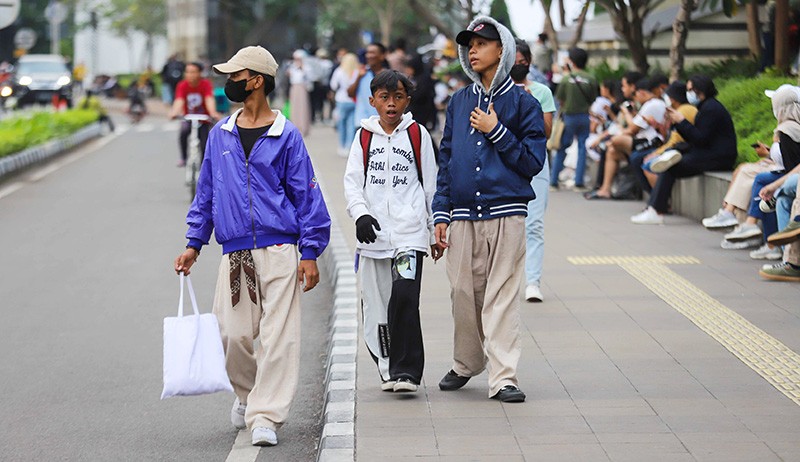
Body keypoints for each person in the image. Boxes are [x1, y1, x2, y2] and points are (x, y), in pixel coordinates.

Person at [173, 45, 331, 447]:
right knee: (232, 334)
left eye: (235, 75)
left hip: (280, 250)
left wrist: (310, 252)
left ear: (255, 80)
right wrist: (194, 242)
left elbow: (307, 196)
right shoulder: (219, 135)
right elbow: (206, 193)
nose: (229, 83)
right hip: (237, 253)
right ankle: (248, 397)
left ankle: (266, 415)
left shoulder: (286, 136)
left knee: (280, 337)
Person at [432, 17, 547, 403]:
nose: (473, 49)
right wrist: (440, 213)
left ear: (504, 50)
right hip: (463, 213)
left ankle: (503, 377)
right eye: (470, 44)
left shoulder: (523, 103)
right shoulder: (459, 100)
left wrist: (497, 130)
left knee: (500, 295)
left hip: (507, 212)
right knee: (463, 292)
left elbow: (532, 162)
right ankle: (467, 362)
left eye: (482, 42)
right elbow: (446, 159)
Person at [343, 70, 439, 393]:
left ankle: (408, 371)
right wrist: (361, 216)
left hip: (409, 237)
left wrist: (434, 227)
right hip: (374, 240)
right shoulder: (363, 138)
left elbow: (430, 186)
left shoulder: (417, 135)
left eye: (398, 97)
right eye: (384, 98)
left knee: (405, 296)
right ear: (372, 101)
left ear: (407, 101)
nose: (391, 104)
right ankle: (388, 369)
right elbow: (352, 183)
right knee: (378, 305)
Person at [631, 75, 737, 224]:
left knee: (670, 166)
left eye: (690, 90)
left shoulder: (711, 108)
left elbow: (700, 138)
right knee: (669, 164)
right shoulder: (706, 106)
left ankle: (655, 210)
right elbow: (697, 138)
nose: (688, 94)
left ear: (699, 90)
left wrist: (681, 121)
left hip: (718, 157)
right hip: (710, 153)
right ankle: (654, 209)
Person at [513, 38, 555, 303]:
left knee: (535, 224)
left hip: (536, 163)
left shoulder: (541, 91)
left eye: (522, 61)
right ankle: (504, 280)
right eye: (513, 62)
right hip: (505, 163)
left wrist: (531, 106)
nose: (519, 66)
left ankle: (532, 282)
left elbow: (547, 132)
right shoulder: (496, 90)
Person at [587, 77, 666, 199]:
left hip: (649, 142)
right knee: (612, 152)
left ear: (641, 92)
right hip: (643, 140)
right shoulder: (650, 104)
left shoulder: (651, 104)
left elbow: (632, 129)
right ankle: (605, 189)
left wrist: (626, 113)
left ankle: (657, 200)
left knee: (614, 141)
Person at [550, 47, 597, 192]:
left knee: (562, 147)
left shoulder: (565, 79)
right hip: (584, 117)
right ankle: (579, 182)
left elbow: (560, 99)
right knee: (582, 148)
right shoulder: (591, 79)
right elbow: (593, 99)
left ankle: (553, 181)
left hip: (568, 117)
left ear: (571, 61)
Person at [168, 62, 221, 167]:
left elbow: (209, 99)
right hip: (188, 118)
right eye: (187, 72)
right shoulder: (182, 85)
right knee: (183, 132)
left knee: (204, 142)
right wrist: (174, 112)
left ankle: (203, 165)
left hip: (203, 119)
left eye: (193, 72)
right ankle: (183, 157)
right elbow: (179, 100)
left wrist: (213, 113)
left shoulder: (205, 84)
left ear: (200, 73)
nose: (190, 75)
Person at [348, 42, 387, 130]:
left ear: (382, 55)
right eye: (368, 52)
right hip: (362, 122)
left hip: (383, 123)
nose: (369, 56)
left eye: (372, 52)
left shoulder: (389, 75)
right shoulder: (361, 73)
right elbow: (350, 93)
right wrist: (358, 77)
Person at [330, 52, 360, 156]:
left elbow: (333, 85)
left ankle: (341, 146)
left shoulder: (339, 71)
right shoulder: (357, 71)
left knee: (341, 124)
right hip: (353, 101)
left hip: (341, 100)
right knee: (351, 124)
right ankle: (349, 146)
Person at [288, 50, 312, 136]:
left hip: (302, 88)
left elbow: (309, 78)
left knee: (303, 107)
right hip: (294, 87)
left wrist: (302, 68)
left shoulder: (306, 67)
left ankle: (303, 127)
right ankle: (295, 126)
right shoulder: (292, 66)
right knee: (294, 107)